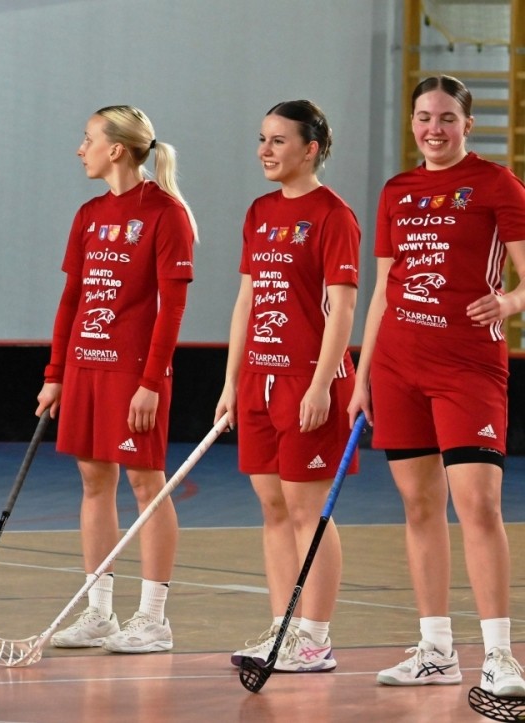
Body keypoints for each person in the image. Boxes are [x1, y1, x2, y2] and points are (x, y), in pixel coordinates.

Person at [349, 75, 525, 695]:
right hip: (398, 368)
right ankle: (436, 649)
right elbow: (383, 290)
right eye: (424, 117)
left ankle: (500, 655)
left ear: (467, 124)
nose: (434, 128)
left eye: (447, 118)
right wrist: (363, 376)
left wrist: (510, 301)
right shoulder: (397, 191)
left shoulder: (497, 184)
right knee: (420, 506)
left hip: (467, 369)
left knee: (478, 505)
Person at [35, 105, 195, 654]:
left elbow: (172, 308)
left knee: (147, 484)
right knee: (93, 482)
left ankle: (153, 619)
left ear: (117, 149)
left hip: (133, 373)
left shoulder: (165, 213)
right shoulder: (88, 214)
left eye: (88, 139)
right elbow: (71, 300)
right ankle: (99, 612)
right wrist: (56, 374)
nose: (81, 149)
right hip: (85, 366)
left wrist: (151, 381)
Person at [214, 100, 360, 672]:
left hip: (308, 381)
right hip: (259, 379)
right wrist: (232, 381)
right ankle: (282, 631)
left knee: (308, 511)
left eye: (278, 140)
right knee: (273, 508)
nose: (265, 150)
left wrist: (321, 385)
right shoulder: (259, 211)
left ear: (311, 149)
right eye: (262, 139)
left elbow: (343, 309)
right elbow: (247, 300)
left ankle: (315, 639)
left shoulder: (333, 215)